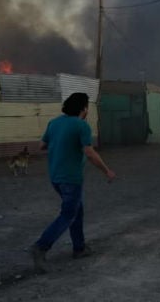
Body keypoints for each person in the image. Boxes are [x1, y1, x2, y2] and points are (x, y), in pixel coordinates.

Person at [30, 92, 116, 273]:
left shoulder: (54, 123)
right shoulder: (81, 125)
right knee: (68, 214)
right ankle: (41, 246)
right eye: (87, 107)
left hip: (56, 177)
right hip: (71, 178)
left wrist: (60, 143)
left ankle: (79, 248)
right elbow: (90, 153)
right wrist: (107, 170)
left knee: (77, 210)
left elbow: (42, 146)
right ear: (84, 109)